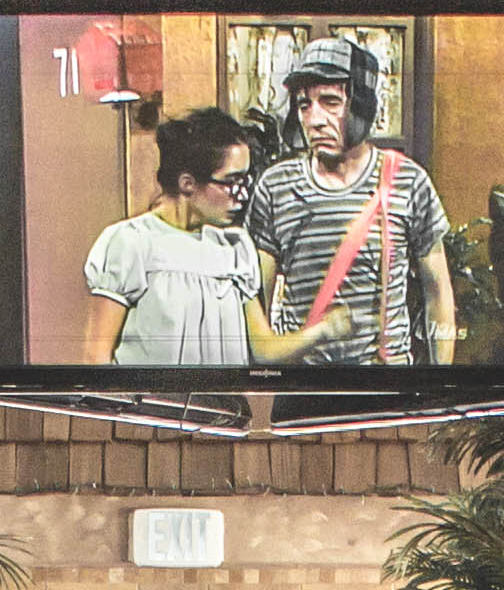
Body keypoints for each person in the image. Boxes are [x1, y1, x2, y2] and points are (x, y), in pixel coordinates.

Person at [240, 34, 454, 367]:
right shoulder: (276, 186)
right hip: (305, 384)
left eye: (330, 101)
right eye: (304, 105)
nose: (314, 120)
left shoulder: (408, 181)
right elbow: (258, 305)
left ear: (360, 107)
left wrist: (441, 380)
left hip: (384, 383)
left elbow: (438, 295)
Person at [78, 111, 331, 367]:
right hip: (155, 394)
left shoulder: (235, 248)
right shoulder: (132, 243)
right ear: (187, 184)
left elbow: (263, 349)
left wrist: (323, 330)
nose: (242, 195)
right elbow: (96, 357)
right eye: (231, 182)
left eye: (245, 181)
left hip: (224, 394)